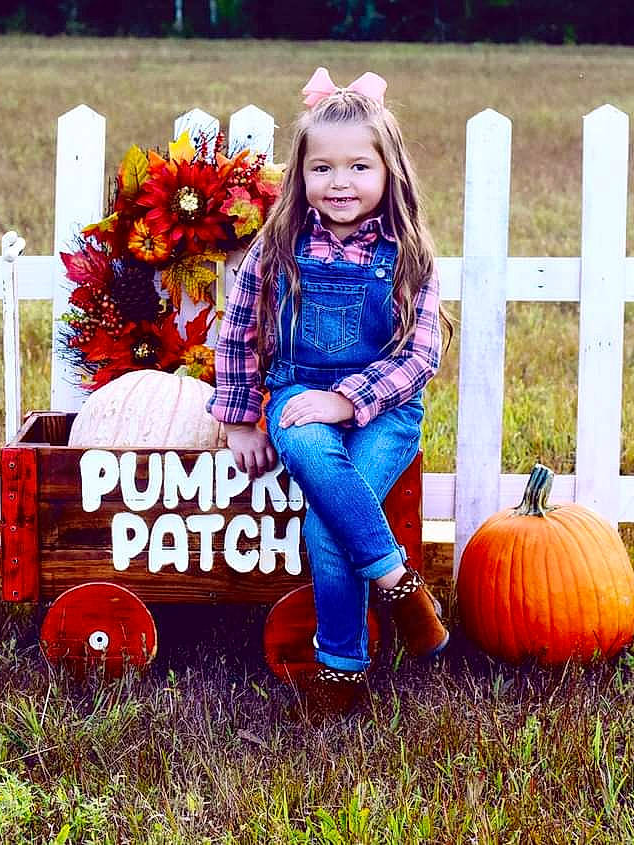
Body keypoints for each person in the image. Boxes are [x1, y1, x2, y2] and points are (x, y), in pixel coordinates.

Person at [207, 67, 454, 720]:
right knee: (306, 435)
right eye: (322, 169)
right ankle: (399, 584)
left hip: (384, 412)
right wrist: (240, 419)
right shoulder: (279, 248)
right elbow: (238, 332)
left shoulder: (408, 254)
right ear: (301, 175)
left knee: (326, 523)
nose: (339, 183)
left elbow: (419, 357)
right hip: (297, 395)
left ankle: (340, 668)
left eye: (358, 167)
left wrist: (348, 400)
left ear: (389, 172)